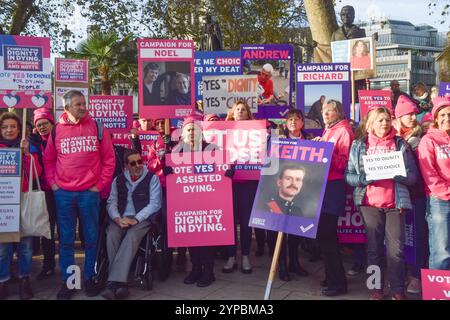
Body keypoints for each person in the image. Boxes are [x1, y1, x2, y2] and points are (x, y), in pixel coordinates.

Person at [43, 90, 115, 300]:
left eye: (84, 103)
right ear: (66, 108)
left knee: (91, 239)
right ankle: (71, 282)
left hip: (89, 194)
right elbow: (48, 161)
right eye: (78, 104)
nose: (83, 107)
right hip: (63, 194)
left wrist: (100, 185)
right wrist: (54, 184)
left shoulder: (98, 128)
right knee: (66, 241)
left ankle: (90, 278)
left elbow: (109, 160)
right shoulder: (57, 131)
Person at [346, 107, 419, 300]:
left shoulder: (400, 144)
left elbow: (413, 176)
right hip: (369, 204)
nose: (384, 123)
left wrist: (400, 176)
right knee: (373, 248)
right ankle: (375, 289)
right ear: (370, 123)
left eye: (387, 120)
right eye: (380, 120)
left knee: (396, 250)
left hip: (395, 204)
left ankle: (397, 290)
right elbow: (349, 176)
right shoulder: (359, 145)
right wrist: (363, 178)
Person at [101, 149, 161, 299]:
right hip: (121, 217)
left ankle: (114, 282)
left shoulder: (152, 179)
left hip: (142, 218)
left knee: (132, 236)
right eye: (133, 163)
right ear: (126, 166)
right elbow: (111, 202)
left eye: (140, 161)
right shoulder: (119, 180)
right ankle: (120, 284)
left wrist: (136, 219)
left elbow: (155, 204)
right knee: (112, 234)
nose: (138, 165)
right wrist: (116, 218)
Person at [166, 117, 219, 287]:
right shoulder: (177, 151)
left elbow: (222, 167)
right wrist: (167, 169)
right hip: (187, 200)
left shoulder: (212, 149)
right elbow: (171, 172)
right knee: (192, 235)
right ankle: (196, 268)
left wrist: (228, 171)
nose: (192, 132)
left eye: (195, 129)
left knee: (206, 237)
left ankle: (208, 271)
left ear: (201, 132)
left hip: (207, 199)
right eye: (188, 130)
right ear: (183, 133)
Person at [313, 100, 354, 297]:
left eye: (330, 111)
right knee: (324, 236)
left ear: (338, 112)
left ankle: (339, 283)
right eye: (324, 111)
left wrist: (324, 150)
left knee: (328, 237)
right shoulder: (330, 129)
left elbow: (344, 164)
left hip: (333, 187)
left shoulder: (343, 131)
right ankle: (331, 277)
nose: (326, 114)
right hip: (325, 186)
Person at [0, 112, 42, 300]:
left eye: (13, 126)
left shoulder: (26, 147)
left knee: (26, 246)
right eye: (5, 127)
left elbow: (36, 172)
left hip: (24, 201)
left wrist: (26, 154)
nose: (9, 130)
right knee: (3, 247)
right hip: (4, 204)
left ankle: (25, 280)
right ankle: (3, 280)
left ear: (19, 129)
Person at [393, 95, 428, 294]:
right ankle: (403, 273)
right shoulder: (393, 138)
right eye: (408, 114)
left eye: (414, 113)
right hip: (397, 196)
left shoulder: (420, 137)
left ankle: (416, 275)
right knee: (400, 238)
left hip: (417, 194)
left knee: (418, 236)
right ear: (399, 117)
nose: (413, 117)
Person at [222, 101, 258, 274]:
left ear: (248, 114)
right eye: (238, 109)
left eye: (244, 110)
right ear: (233, 113)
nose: (241, 112)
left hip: (247, 184)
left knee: (245, 222)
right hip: (228, 184)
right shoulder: (223, 132)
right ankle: (230, 257)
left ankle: (245, 256)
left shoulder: (255, 132)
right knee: (229, 222)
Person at [418, 96, 450, 271]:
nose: (447, 118)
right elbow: (428, 173)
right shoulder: (428, 141)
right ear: (436, 118)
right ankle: (438, 296)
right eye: (443, 114)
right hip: (439, 201)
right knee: (441, 251)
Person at [29, 108, 58, 281]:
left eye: (45, 123)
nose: (42, 127)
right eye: (39, 124)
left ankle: (68, 265)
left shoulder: (60, 138)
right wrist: (32, 150)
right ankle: (48, 265)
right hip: (44, 192)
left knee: (64, 230)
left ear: (52, 123)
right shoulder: (34, 143)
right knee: (47, 230)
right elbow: (35, 170)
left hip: (62, 190)